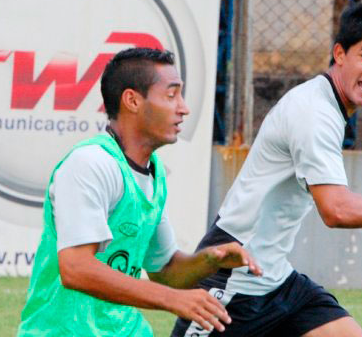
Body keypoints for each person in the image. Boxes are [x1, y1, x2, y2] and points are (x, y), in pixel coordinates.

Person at [172, 2, 362, 337]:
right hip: (233, 281)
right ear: (339, 54)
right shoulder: (315, 112)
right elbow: (335, 209)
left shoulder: (326, 104)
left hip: (277, 282)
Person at [18, 47, 261, 336]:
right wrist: (173, 300)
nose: (183, 108)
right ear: (132, 100)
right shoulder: (91, 163)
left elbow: (166, 270)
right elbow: (76, 269)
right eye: (171, 95)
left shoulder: (153, 172)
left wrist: (212, 259)